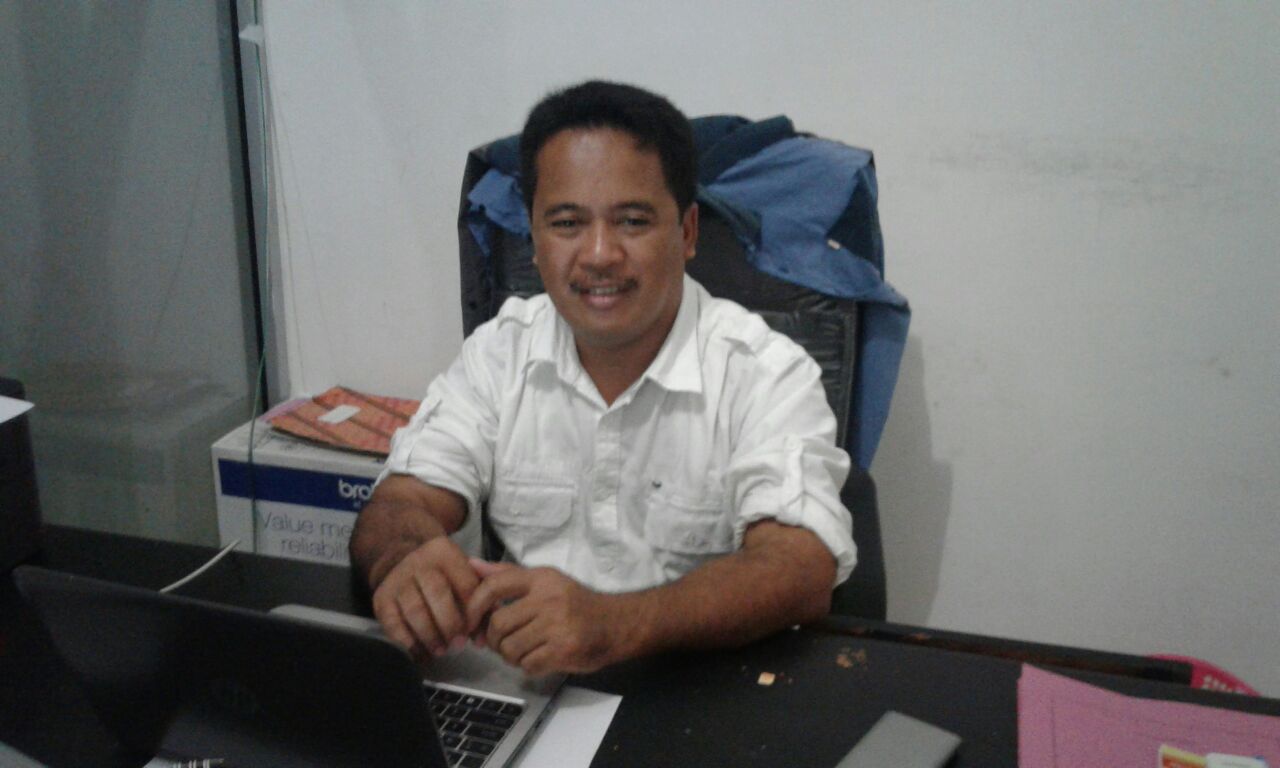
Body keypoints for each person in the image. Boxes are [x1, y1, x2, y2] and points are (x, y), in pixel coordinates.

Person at [349, 80, 855, 677]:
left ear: (687, 232)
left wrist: (616, 625)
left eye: (632, 221)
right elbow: (401, 502)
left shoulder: (765, 372)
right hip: (531, 685)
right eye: (566, 223)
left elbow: (798, 567)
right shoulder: (499, 354)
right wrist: (404, 562)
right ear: (534, 240)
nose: (597, 254)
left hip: (693, 695)